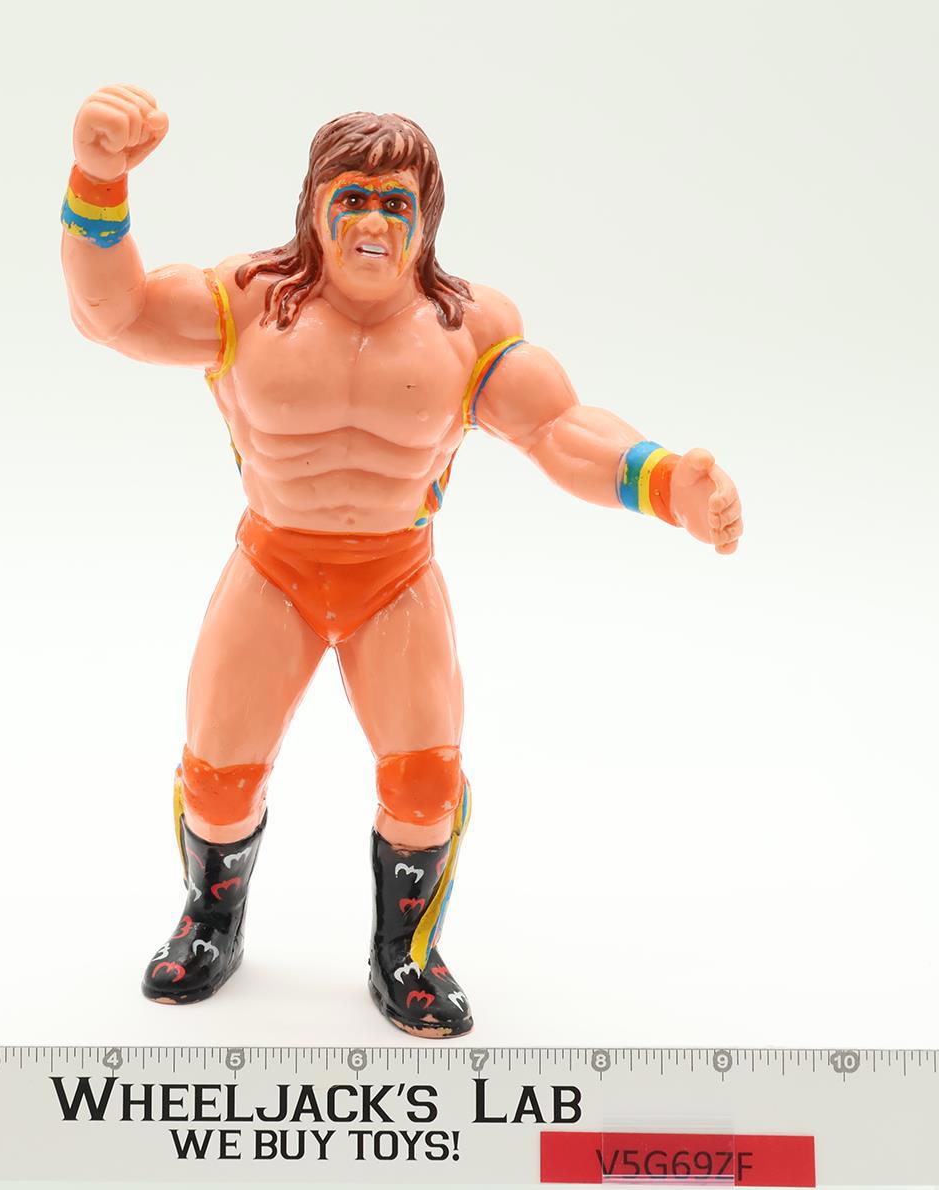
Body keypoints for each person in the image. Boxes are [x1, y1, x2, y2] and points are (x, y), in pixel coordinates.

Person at [60, 85, 743, 1038]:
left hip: (395, 578)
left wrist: (664, 481)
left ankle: (407, 953)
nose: (373, 222)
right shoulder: (245, 300)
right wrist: (98, 180)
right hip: (273, 565)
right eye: (352, 199)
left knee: (426, 780)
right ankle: (210, 920)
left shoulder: (467, 328)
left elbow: (557, 427)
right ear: (313, 207)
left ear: (428, 220)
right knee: (218, 774)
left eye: (396, 202)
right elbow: (117, 314)